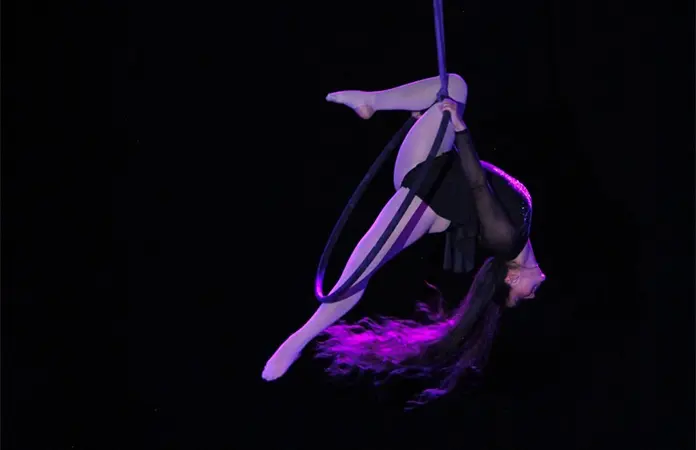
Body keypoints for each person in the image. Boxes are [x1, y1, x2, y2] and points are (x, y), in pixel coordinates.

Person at [261, 74, 546, 403]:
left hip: (422, 200)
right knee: (454, 85)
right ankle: (371, 102)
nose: (532, 295)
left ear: (511, 278)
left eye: (522, 297)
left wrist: (460, 130)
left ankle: (296, 341)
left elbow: (479, 185)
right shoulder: (521, 231)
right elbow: (480, 181)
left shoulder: (506, 242)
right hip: (431, 160)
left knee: (358, 273)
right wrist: (431, 122)